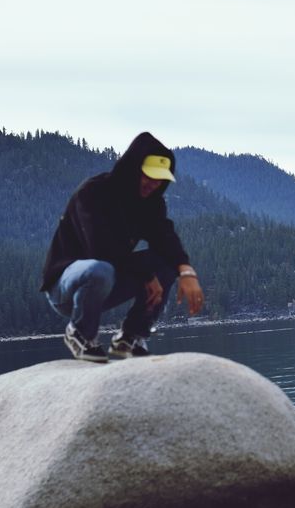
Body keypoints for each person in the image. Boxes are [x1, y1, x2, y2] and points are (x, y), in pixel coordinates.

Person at [40, 132, 205, 362]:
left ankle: (131, 337)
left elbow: (165, 237)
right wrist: (147, 276)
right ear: (134, 168)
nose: (153, 183)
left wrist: (186, 270)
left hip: (106, 282)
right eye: (148, 176)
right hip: (66, 286)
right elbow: (102, 248)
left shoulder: (151, 203)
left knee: (166, 264)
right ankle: (80, 333)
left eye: (160, 178)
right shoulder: (94, 192)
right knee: (100, 268)